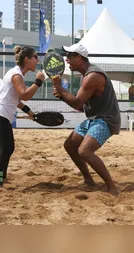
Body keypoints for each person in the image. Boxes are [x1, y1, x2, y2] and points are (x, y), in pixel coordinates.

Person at [52, 44, 121, 196]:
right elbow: (79, 106)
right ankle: (89, 180)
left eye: (69, 56)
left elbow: (77, 102)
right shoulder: (85, 76)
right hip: (94, 118)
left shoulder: (92, 76)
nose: (66, 59)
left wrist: (60, 88)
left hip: (106, 120)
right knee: (70, 145)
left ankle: (112, 187)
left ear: (79, 57)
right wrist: (62, 95)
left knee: (84, 151)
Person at [0, 46, 45, 187]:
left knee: (9, 148)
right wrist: (38, 81)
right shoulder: (16, 74)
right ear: (27, 59)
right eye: (35, 57)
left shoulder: (17, 73)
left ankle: (2, 177)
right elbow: (24, 95)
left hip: (0, 116)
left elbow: (16, 100)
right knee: (4, 149)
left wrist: (28, 111)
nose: (37, 60)